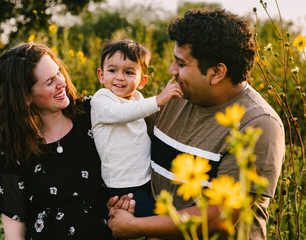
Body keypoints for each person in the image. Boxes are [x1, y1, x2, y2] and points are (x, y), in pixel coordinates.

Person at [107, 9, 285, 239]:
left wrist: (136, 227)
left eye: (181, 63)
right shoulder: (175, 97)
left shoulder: (258, 126)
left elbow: (220, 215)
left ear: (217, 72)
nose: (172, 70)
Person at [0, 42, 113, 239]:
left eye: (58, 73)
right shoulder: (16, 153)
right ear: (26, 97)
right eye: (49, 82)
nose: (61, 83)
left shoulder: (94, 113)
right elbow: (14, 234)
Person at [90, 39, 183, 217]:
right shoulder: (101, 100)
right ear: (101, 75)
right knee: (156, 223)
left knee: (162, 218)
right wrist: (158, 100)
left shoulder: (137, 100)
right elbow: (122, 113)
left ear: (142, 81)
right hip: (125, 185)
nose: (119, 77)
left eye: (129, 72)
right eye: (112, 70)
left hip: (147, 179)